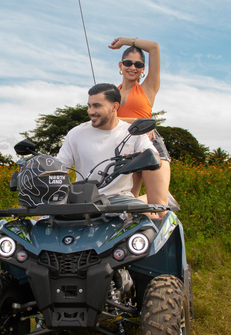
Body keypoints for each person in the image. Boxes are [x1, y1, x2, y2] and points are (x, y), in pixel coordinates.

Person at [56, 83, 155, 205]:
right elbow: (59, 170)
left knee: (143, 220)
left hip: (119, 199)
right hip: (83, 200)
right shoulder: (75, 133)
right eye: (89, 106)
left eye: (96, 106)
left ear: (114, 106)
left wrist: (137, 157)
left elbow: (152, 154)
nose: (91, 111)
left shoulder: (132, 132)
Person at [108, 37, 171, 212]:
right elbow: (108, 122)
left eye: (138, 65)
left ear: (143, 69)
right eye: (128, 63)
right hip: (125, 148)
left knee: (159, 207)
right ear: (120, 66)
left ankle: (164, 199)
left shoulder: (148, 88)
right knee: (128, 207)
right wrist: (136, 122)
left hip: (149, 144)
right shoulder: (112, 95)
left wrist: (125, 42)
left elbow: (154, 47)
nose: (133, 67)